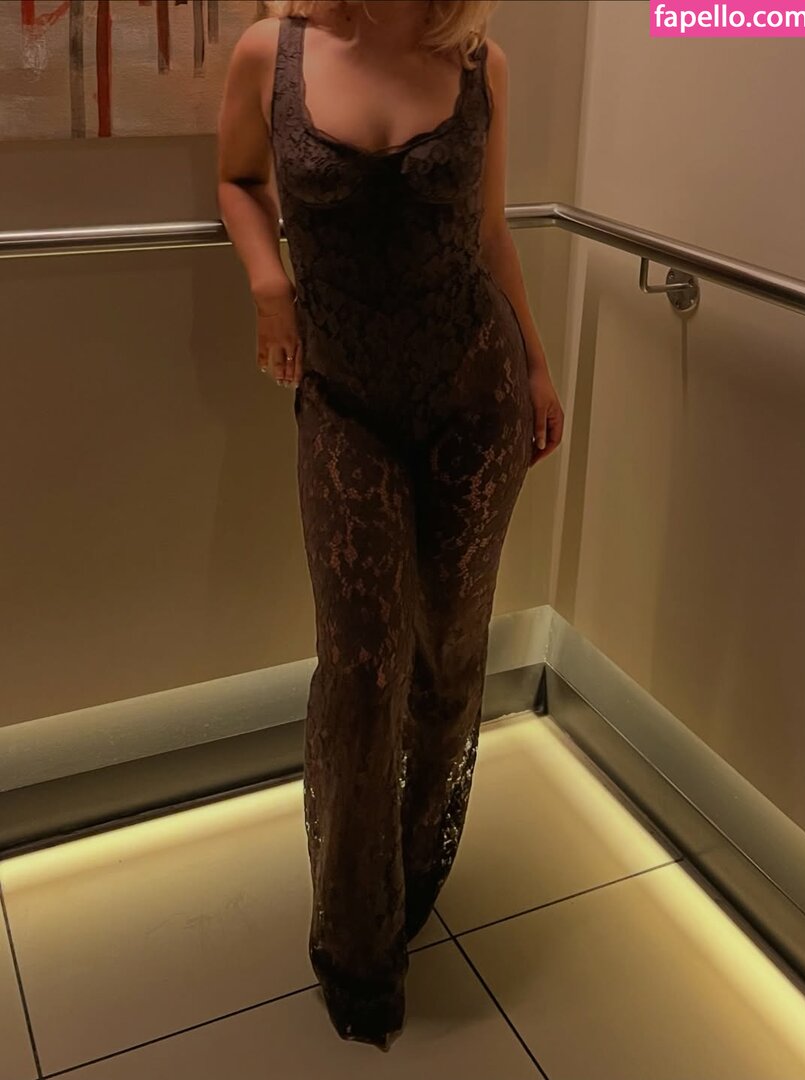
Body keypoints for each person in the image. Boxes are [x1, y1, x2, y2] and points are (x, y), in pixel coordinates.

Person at [216, 0, 564, 1052]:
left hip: (474, 397)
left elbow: (487, 232)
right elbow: (237, 179)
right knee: (363, 668)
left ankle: (408, 877)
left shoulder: (480, 64)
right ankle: (356, 940)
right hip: (344, 402)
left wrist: (535, 364)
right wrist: (268, 283)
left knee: (448, 654)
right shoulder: (271, 52)